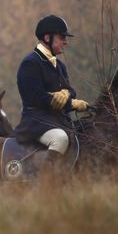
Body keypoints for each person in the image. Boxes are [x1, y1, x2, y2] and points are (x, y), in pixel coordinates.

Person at [13, 15, 90, 167]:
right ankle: (47, 181)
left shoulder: (59, 66)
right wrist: (71, 103)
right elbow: (36, 98)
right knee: (60, 139)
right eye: (62, 37)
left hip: (58, 120)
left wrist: (67, 95)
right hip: (36, 121)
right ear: (47, 38)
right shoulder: (30, 63)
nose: (65, 42)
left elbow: (70, 90)